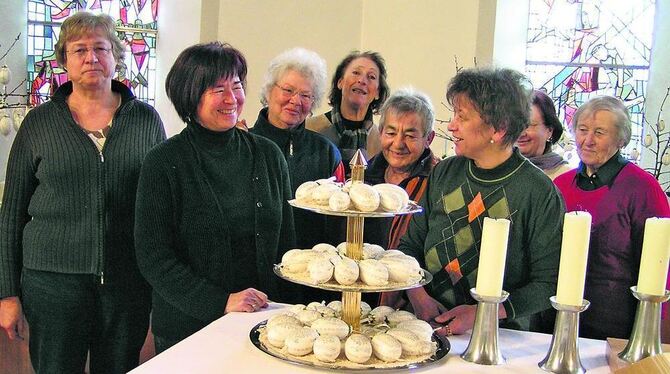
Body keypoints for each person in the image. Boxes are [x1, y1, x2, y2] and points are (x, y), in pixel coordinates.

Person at [0, 12, 165, 373]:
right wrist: (7, 293)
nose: (91, 58)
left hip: (127, 283)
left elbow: (160, 205)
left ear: (116, 56)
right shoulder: (39, 123)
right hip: (52, 286)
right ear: (64, 60)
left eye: (100, 48)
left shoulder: (146, 120)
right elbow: (11, 214)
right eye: (79, 50)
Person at [134, 42, 298, 354]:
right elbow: (153, 257)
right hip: (190, 328)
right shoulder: (163, 162)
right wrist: (221, 302)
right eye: (216, 88)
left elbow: (286, 246)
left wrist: (292, 311)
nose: (230, 98)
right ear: (190, 94)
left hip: (265, 324)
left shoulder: (268, 155)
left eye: (236, 86)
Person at [392, 67, 564, 336]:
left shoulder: (537, 191)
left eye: (462, 116)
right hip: (426, 326)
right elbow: (410, 246)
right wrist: (418, 297)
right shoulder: (445, 173)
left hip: (499, 337)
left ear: (499, 128)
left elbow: (548, 283)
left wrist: (482, 313)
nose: (451, 125)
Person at [554, 96, 670, 340]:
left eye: (599, 132)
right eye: (582, 130)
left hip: (616, 323)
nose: (587, 140)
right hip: (558, 317)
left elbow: (661, 265)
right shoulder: (560, 185)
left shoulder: (642, 187)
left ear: (621, 139)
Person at [250, 47, 344, 250]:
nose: (296, 101)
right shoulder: (243, 145)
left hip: (313, 270)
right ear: (269, 90)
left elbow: (338, 223)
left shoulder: (326, 153)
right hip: (253, 273)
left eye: (305, 95)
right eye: (288, 90)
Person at [364, 87, 440, 251]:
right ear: (380, 132)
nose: (398, 144)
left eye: (410, 136)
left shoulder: (438, 183)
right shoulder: (363, 177)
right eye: (391, 133)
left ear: (429, 139)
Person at [306, 51, 389, 175]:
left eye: (371, 77)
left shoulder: (382, 141)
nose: (362, 80)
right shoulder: (310, 129)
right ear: (340, 82)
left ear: (377, 92)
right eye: (356, 73)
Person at [516, 90, 570, 179]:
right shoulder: (494, 171)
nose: (521, 133)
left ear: (549, 130)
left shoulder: (565, 177)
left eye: (529, 125)